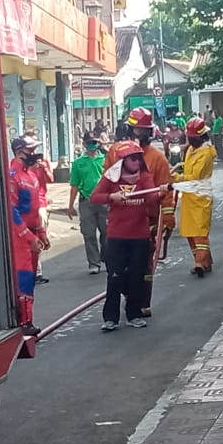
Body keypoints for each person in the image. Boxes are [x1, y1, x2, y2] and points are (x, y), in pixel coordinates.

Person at [105, 107, 175, 317]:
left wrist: (168, 220)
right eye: (135, 130)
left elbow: (167, 192)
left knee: (144, 267)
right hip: (120, 221)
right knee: (117, 267)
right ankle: (128, 296)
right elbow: (105, 182)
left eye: (142, 131)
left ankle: (142, 302)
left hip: (146, 222)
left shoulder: (157, 158)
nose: (138, 135)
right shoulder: (114, 153)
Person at [89, 142, 167, 331]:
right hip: (117, 236)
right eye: (133, 158)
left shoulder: (144, 176)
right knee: (115, 276)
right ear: (122, 161)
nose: (137, 162)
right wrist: (111, 197)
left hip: (139, 236)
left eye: (139, 158)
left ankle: (134, 314)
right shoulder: (111, 178)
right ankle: (110, 318)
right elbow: (94, 197)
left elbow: (151, 199)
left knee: (136, 277)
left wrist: (162, 192)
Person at [8, 137, 49, 336]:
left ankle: (29, 320)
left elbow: (34, 207)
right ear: (19, 152)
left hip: (32, 232)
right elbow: (11, 211)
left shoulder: (31, 174)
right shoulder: (13, 176)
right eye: (30, 150)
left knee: (31, 277)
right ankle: (23, 322)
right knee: (23, 277)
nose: (34, 153)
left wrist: (41, 232)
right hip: (19, 237)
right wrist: (28, 237)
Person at [173, 118, 216, 277]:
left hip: (200, 196)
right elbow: (187, 164)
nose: (190, 140)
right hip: (189, 196)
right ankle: (205, 262)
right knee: (190, 231)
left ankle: (199, 262)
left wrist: (176, 178)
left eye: (193, 138)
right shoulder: (192, 149)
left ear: (202, 136)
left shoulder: (205, 153)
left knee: (200, 232)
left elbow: (195, 176)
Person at [68, 135, 109, 274]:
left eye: (95, 142)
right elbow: (74, 185)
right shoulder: (78, 163)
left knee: (107, 232)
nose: (92, 144)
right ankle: (94, 263)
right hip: (86, 200)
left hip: (104, 200)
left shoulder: (105, 160)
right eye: (90, 142)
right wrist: (70, 206)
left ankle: (107, 258)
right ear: (84, 144)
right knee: (88, 233)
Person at [23, 131, 54, 284]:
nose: (33, 153)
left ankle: (37, 270)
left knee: (39, 236)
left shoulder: (43, 162)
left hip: (41, 203)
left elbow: (51, 179)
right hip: (27, 209)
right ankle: (33, 271)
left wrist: (43, 168)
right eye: (30, 149)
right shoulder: (20, 168)